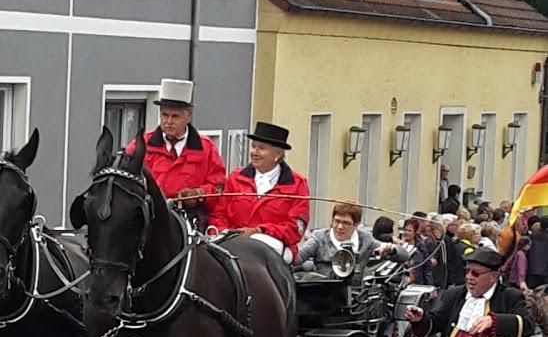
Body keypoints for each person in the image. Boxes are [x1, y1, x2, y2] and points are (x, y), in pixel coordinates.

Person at [126, 79, 225, 230]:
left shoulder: (206, 148)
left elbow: (219, 187)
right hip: (147, 218)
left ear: (189, 116)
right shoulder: (141, 145)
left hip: (189, 220)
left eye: (175, 116)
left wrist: (198, 194)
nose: (168, 121)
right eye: (165, 115)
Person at [208, 121, 310, 263]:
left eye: (261, 148)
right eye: (253, 146)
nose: (254, 152)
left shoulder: (297, 184)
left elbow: (294, 229)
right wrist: (225, 233)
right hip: (232, 243)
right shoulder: (235, 178)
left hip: (272, 245)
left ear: (278, 154)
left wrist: (260, 231)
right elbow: (219, 214)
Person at [405, 246, 533, 337]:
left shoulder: (509, 296)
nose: (469, 277)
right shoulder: (454, 294)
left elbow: (528, 325)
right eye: (467, 271)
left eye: (475, 273)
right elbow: (436, 323)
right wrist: (420, 319)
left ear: (493, 276)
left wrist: (495, 321)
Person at [293, 202, 405, 275]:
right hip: (321, 299)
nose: (340, 227)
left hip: (356, 302)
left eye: (346, 223)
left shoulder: (366, 240)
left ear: (356, 225)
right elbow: (297, 258)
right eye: (337, 221)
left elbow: (404, 256)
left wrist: (392, 249)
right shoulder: (319, 237)